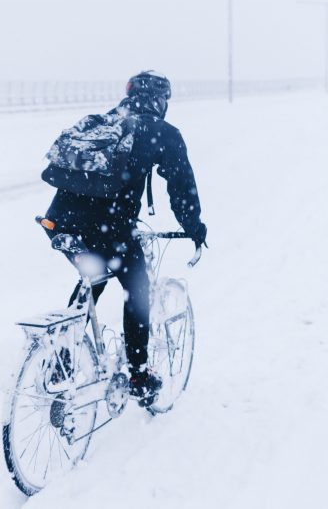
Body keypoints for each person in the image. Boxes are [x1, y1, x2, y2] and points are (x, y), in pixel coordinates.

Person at [39, 71, 207, 405]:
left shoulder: (103, 122)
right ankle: (139, 375)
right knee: (138, 290)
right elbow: (181, 186)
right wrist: (194, 228)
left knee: (94, 272)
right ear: (161, 101)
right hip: (110, 227)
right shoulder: (161, 132)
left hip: (59, 221)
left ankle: (62, 355)